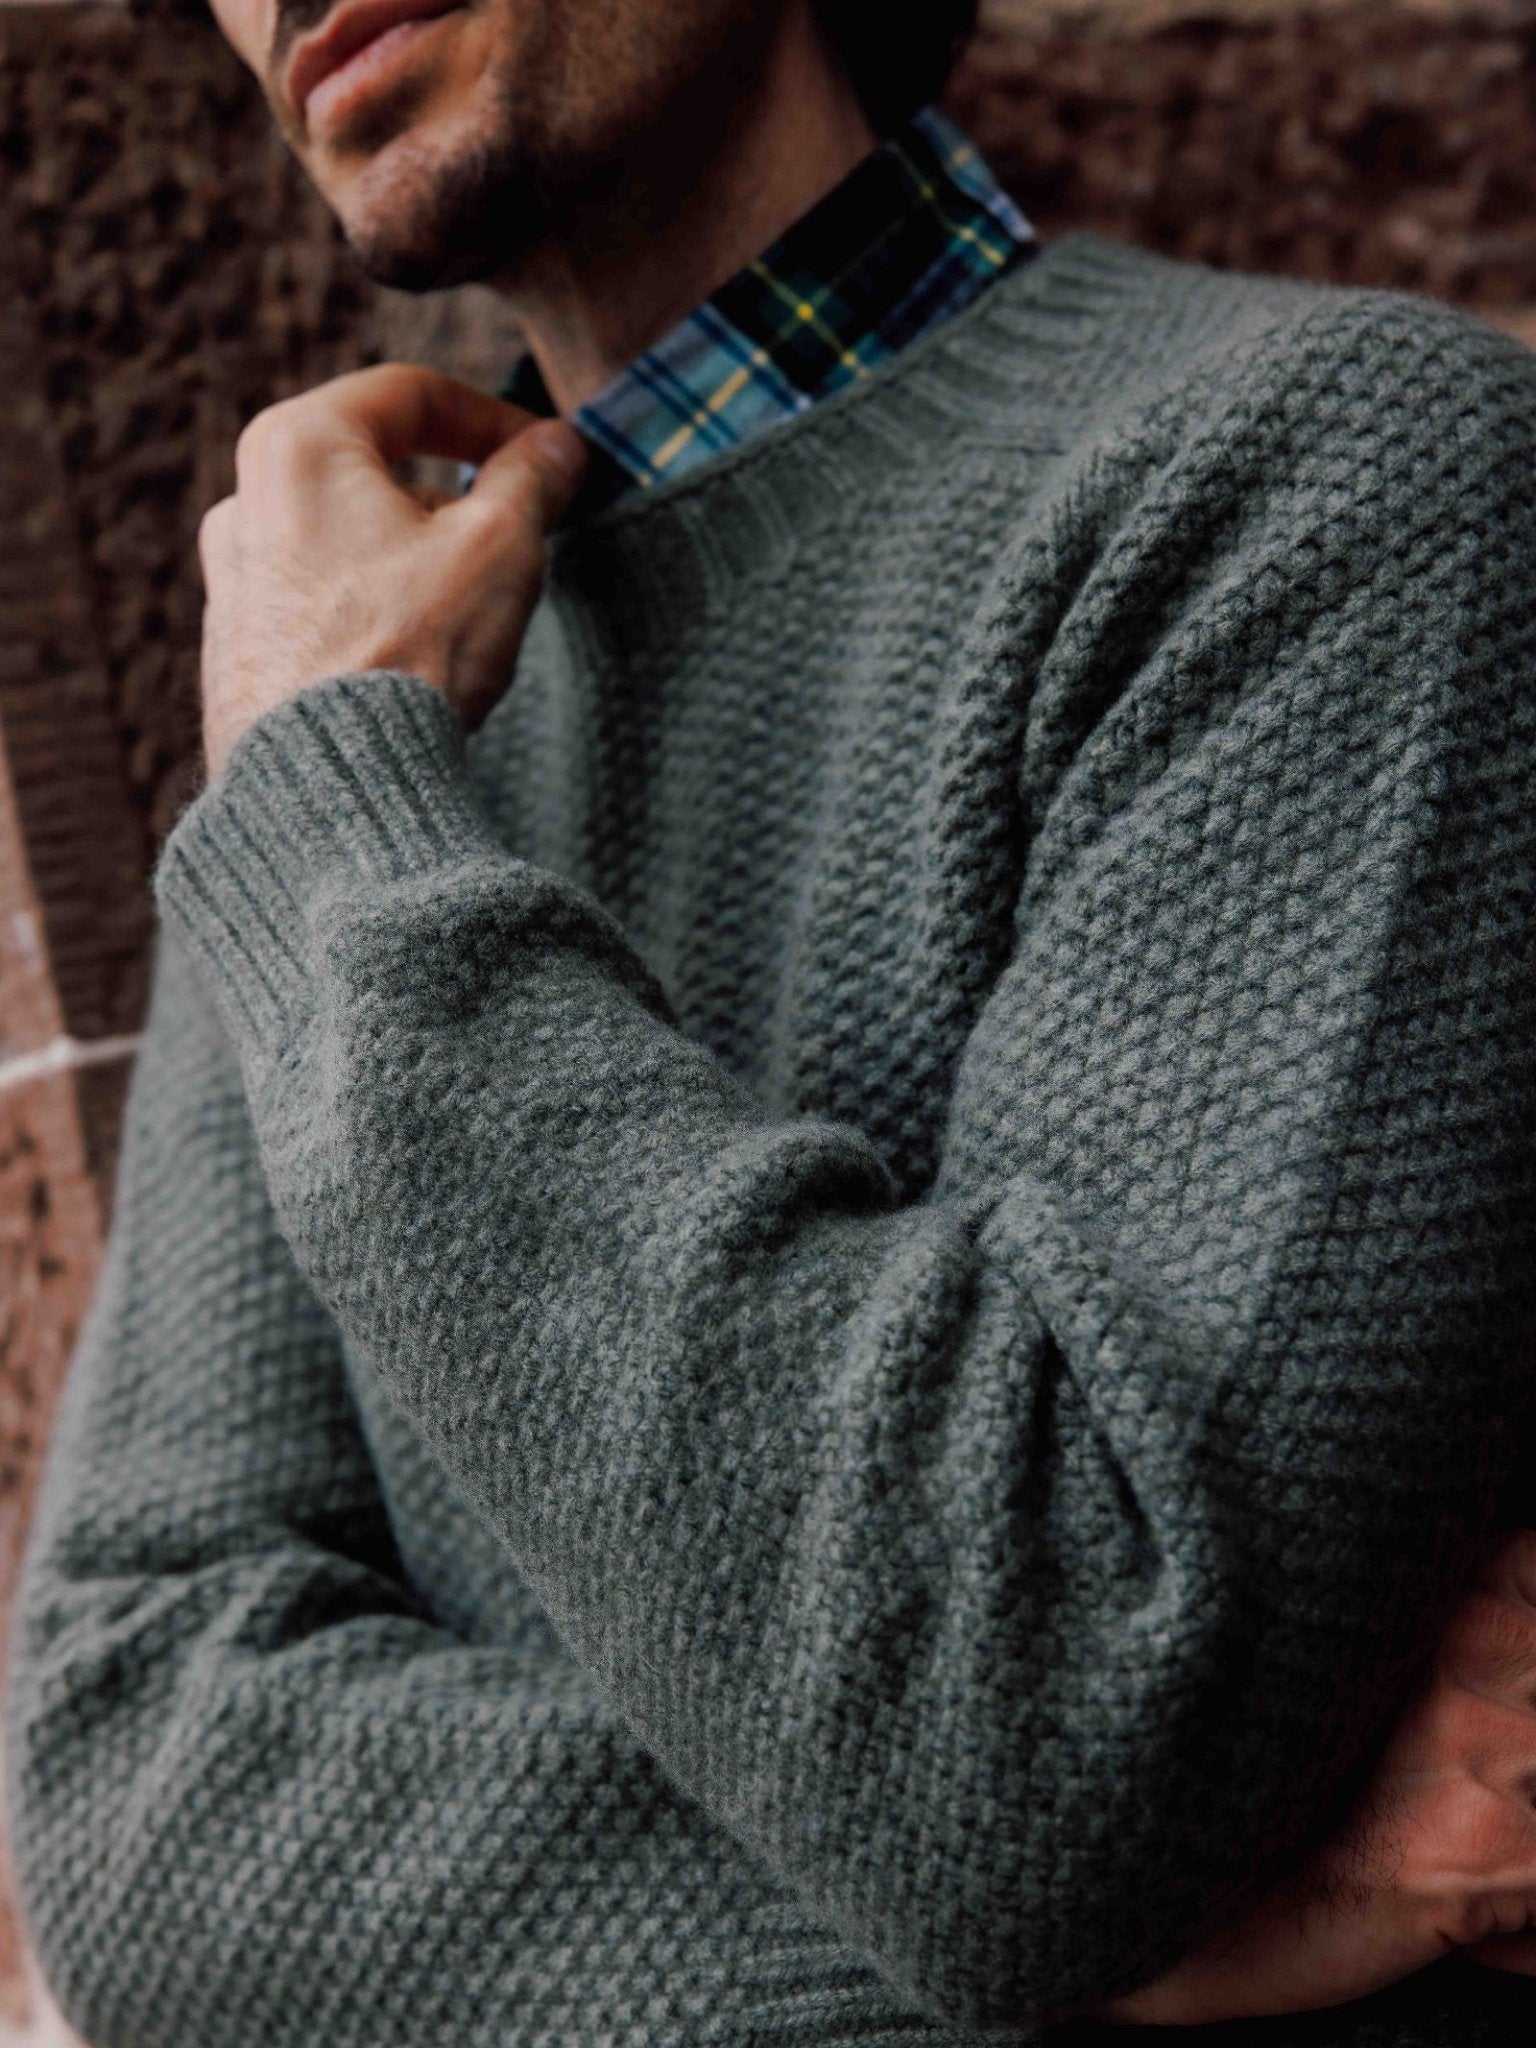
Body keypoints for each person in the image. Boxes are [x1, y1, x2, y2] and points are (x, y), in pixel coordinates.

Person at [4, 0, 1534, 2042]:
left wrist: (325, 824)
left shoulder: (1338, 484)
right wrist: (1191, 1935)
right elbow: (127, 1787)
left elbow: (1044, 1719)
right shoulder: (341, 732)